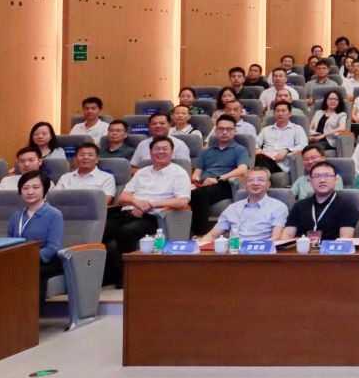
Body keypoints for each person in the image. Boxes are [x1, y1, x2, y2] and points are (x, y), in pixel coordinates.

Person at [104, 137, 192, 284]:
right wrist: (137, 202)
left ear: (172, 153)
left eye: (165, 149)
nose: (161, 152)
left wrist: (149, 205)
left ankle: (129, 277)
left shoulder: (179, 173)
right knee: (102, 232)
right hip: (128, 213)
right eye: (157, 149)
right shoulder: (141, 172)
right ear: (151, 153)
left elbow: (182, 201)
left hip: (154, 218)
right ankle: (105, 276)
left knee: (126, 233)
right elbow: (123, 198)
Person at [188, 115, 252, 234]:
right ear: (215, 131)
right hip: (204, 184)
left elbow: (242, 169)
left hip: (225, 184)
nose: (224, 132)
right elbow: (196, 174)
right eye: (221, 129)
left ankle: (201, 234)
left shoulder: (239, 150)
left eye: (229, 129)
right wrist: (197, 181)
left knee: (198, 195)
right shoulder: (206, 152)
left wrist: (218, 179)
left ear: (235, 131)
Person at [197, 169, 288, 245]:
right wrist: (199, 245)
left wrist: (248, 247)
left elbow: (276, 238)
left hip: (261, 253)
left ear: (268, 185)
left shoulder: (278, 207)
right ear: (244, 185)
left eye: (260, 180)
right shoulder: (232, 208)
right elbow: (212, 235)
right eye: (250, 180)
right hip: (233, 251)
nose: (255, 183)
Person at [6, 172, 66, 285]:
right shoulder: (16, 216)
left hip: (45, 262)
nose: (30, 192)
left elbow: (53, 247)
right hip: (19, 260)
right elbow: (8, 242)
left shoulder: (54, 214)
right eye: (25, 188)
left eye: (36, 187)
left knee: (24, 272)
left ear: (45, 190)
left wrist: (29, 257)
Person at [282, 161, 359, 244]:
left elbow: (345, 238)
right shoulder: (299, 206)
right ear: (310, 181)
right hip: (302, 250)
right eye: (317, 176)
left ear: (336, 180)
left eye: (327, 176)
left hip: (332, 250)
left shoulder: (347, 206)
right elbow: (287, 235)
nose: (322, 180)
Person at [255, 101, 308, 172]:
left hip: (283, 163)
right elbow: (255, 143)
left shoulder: (297, 129)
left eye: (283, 111)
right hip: (266, 159)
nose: (280, 113)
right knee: (258, 157)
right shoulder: (266, 129)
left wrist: (287, 150)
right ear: (274, 114)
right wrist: (257, 149)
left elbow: (303, 145)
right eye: (277, 111)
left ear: (290, 114)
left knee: (259, 161)